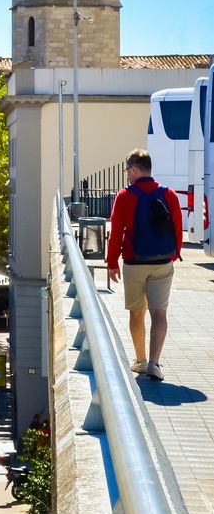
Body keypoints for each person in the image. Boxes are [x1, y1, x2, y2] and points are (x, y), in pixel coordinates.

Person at [106, 148, 183, 381]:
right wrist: (173, 255)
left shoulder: (125, 196)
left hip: (134, 262)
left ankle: (139, 360)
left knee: (136, 312)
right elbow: (178, 228)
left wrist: (112, 263)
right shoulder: (169, 194)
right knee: (159, 312)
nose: (127, 175)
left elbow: (116, 232)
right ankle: (155, 363)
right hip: (162, 262)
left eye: (128, 170)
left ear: (135, 169)